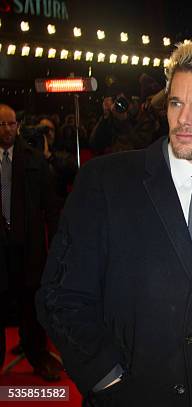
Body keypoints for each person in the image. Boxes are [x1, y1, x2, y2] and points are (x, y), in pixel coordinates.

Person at [36, 36, 192, 406]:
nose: (183, 118)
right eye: (176, 102)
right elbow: (60, 295)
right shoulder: (106, 181)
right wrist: (105, 378)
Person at [0, 104, 62, 381]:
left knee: (31, 305)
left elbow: (52, 208)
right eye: (2, 125)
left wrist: (58, 248)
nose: (8, 130)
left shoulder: (34, 160)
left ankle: (38, 356)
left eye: (12, 124)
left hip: (29, 247)